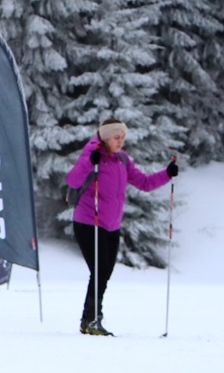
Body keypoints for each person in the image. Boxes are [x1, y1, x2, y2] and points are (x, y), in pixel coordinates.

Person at [66, 120, 176, 336]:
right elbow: (73, 181)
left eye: (122, 138)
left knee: (104, 272)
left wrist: (167, 174)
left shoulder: (122, 160)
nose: (120, 141)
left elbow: (143, 183)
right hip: (89, 222)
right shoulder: (93, 154)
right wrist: (90, 161)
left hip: (111, 225)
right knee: (99, 271)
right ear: (105, 137)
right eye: (116, 137)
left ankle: (90, 320)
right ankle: (91, 320)